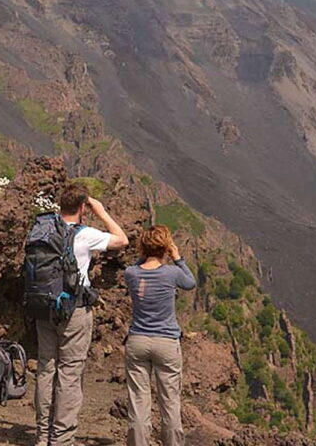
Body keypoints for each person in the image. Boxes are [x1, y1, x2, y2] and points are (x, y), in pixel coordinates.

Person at [35, 182, 129, 446]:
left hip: (43, 308)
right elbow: (122, 240)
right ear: (82, 207)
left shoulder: (41, 230)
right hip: (73, 311)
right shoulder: (85, 234)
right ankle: (62, 439)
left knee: (45, 369)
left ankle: (42, 436)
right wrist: (100, 211)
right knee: (69, 372)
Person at [124, 225, 196, 446]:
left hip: (137, 340)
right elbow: (190, 282)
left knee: (138, 400)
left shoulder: (131, 273)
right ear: (165, 247)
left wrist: (142, 255)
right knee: (170, 402)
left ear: (143, 248)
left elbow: (136, 266)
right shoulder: (172, 273)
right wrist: (177, 257)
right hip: (166, 342)